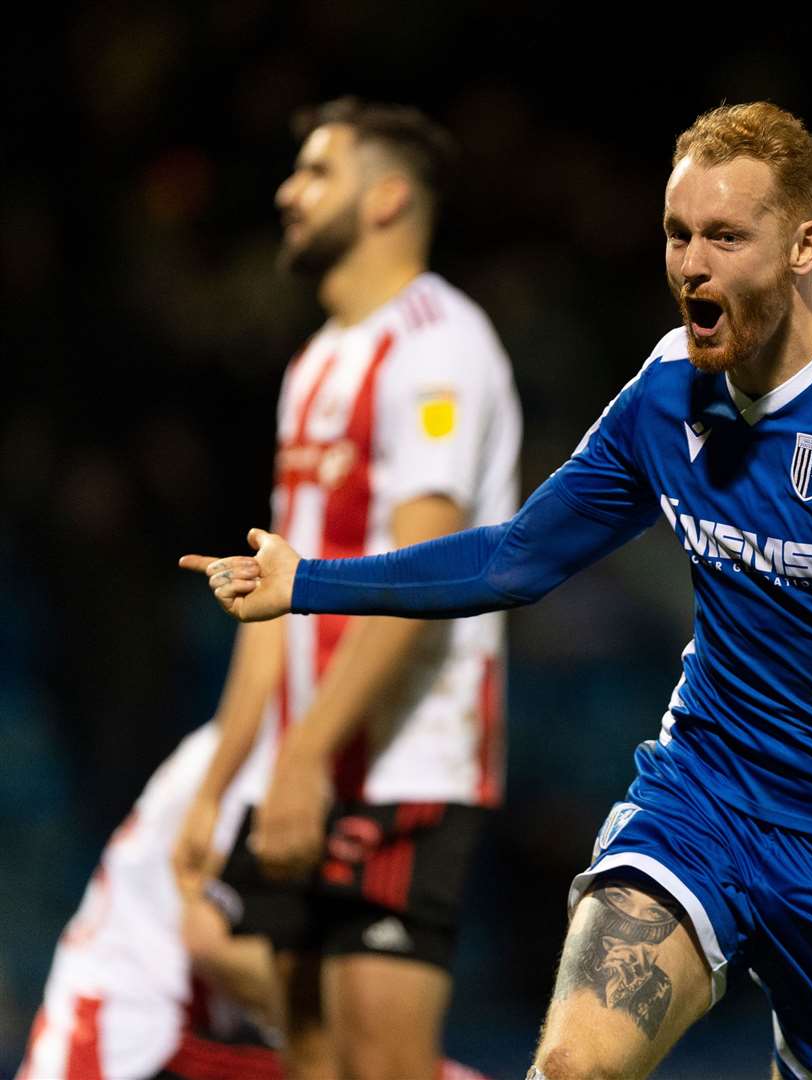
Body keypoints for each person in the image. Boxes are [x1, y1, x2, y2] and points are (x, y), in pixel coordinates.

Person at [183, 102, 812, 1080]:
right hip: (705, 799)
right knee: (574, 1068)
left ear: (803, 245)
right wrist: (309, 582)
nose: (689, 264)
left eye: (723, 236)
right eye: (675, 233)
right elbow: (518, 557)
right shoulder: (667, 391)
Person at [172, 98, 520, 1080]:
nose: (288, 192)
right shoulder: (318, 362)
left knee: (384, 1064)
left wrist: (305, 757)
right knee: (313, 1061)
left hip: (410, 760)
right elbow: (273, 594)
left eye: (316, 171)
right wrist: (224, 776)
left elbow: (427, 572)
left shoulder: (440, 344)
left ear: (386, 197)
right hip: (309, 761)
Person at [17, 721, 285, 1080]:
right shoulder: (251, 758)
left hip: (140, 1030)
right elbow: (210, 942)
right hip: (128, 1040)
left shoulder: (239, 746)